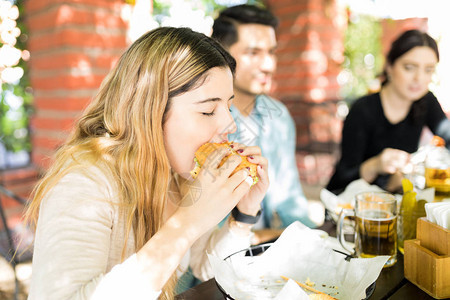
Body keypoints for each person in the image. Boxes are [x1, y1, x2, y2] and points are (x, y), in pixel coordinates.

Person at [24, 27, 269, 299]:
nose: (230, 124)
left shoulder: (175, 174)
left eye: (228, 107)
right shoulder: (84, 183)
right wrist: (188, 223)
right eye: (208, 110)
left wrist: (244, 215)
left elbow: (208, 266)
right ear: (150, 111)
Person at [211, 4, 316, 245]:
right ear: (219, 52)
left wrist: (313, 237)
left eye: (271, 52)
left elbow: (290, 201)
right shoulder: (202, 118)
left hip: (267, 253)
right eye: (253, 53)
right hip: (211, 262)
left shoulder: (278, 116)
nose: (268, 65)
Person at [327, 29, 450, 195]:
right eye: (409, 68)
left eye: (428, 70)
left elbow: (447, 135)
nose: (419, 78)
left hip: (396, 201)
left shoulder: (426, 101)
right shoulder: (363, 110)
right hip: (351, 206)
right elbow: (342, 178)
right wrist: (376, 165)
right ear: (390, 66)